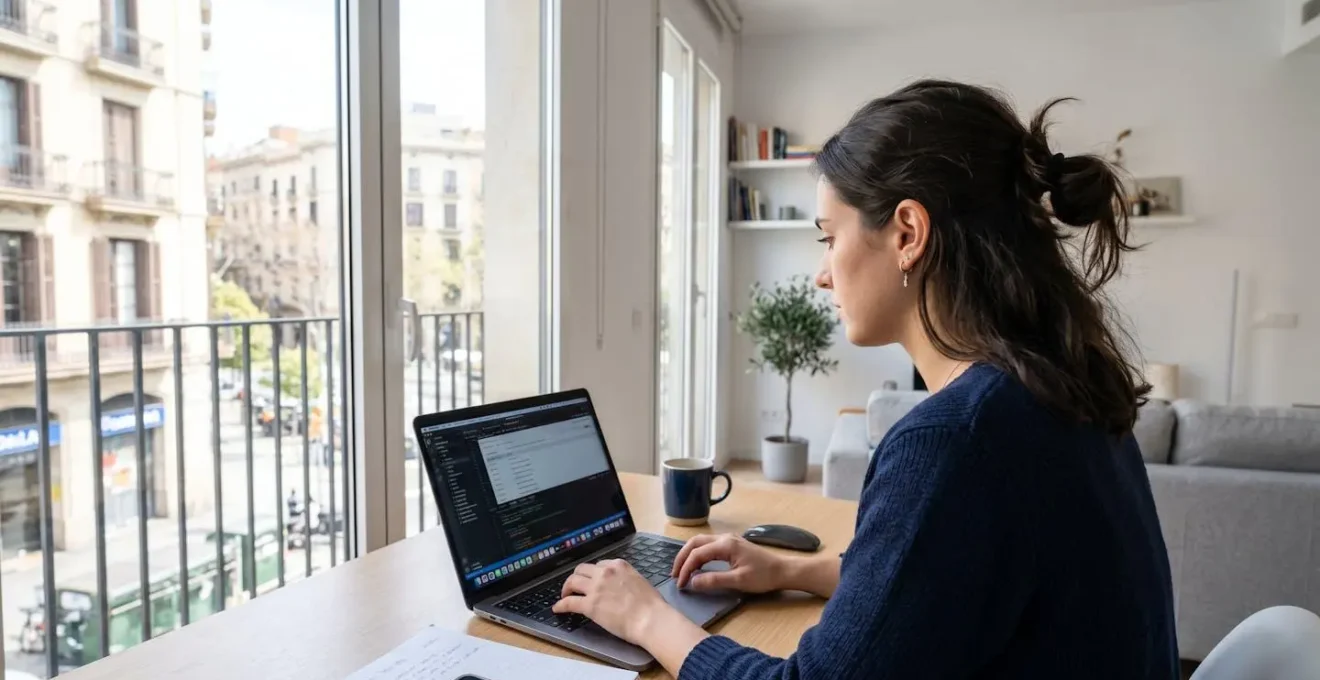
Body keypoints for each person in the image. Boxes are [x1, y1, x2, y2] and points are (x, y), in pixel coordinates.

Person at [553, 80, 1179, 679]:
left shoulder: (957, 441)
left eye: (829, 239)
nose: (823, 274)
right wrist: (789, 569)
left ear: (908, 233)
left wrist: (645, 616)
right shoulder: (1063, 389)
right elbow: (945, 582)